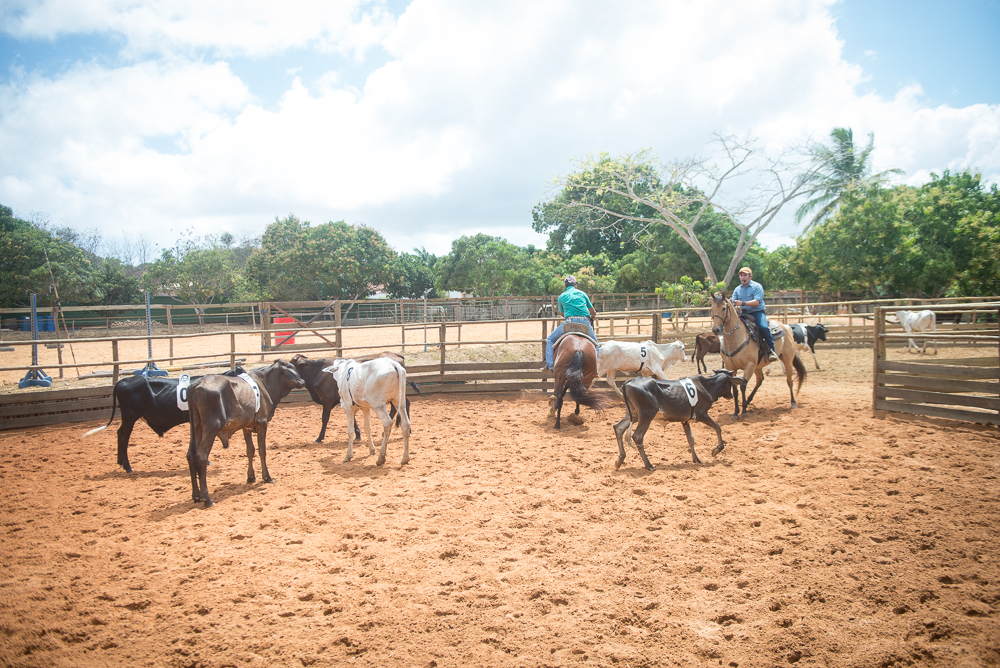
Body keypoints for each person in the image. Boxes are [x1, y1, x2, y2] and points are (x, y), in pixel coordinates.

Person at [545, 276, 599, 371]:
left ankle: (550, 366)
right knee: (596, 345)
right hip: (585, 322)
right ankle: (596, 368)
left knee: (550, 340)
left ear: (566, 285)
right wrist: (592, 317)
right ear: (575, 284)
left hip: (569, 322)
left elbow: (562, 313)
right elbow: (593, 311)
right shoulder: (582, 294)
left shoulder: (561, 296)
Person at [731, 266, 778, 363]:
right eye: (741, 276)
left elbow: (757, 302)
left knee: (763, 327)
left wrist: (742, 303)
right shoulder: (737, 289)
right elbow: (733, 301)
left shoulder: (757, 287)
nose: (743, 277)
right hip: (744, 314)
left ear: (750, 276)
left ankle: (771, 350)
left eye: (745, 275)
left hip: (757, 312)